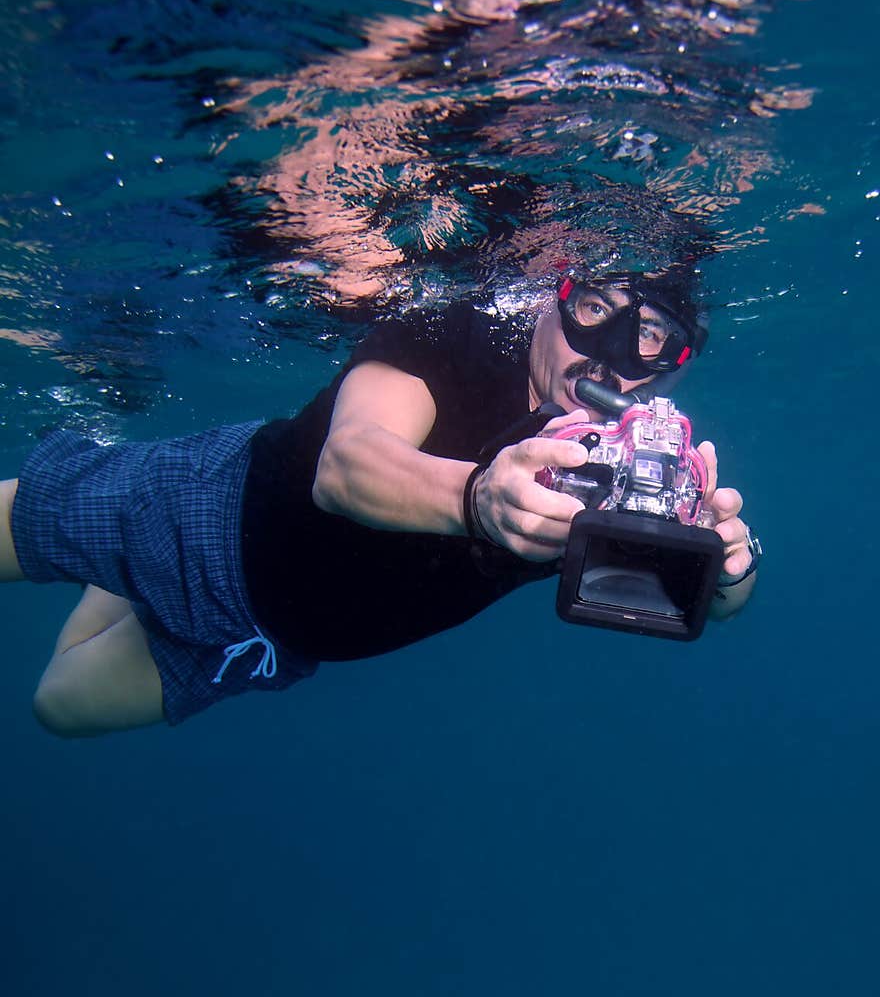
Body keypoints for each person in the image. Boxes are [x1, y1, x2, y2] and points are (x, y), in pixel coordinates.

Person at [0, 267, 757, 737]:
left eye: (652, 336)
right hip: (209, 517)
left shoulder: (624, 460)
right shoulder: (452, 336)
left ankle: (118, 575)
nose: (613, 357)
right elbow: (348, 463)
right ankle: (128, 529)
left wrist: (727, 558)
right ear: (552, 299)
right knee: (17, 530)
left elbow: (706, 596)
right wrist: (480, 495)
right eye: (595, 307)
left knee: (62, 704)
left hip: (275, 636)